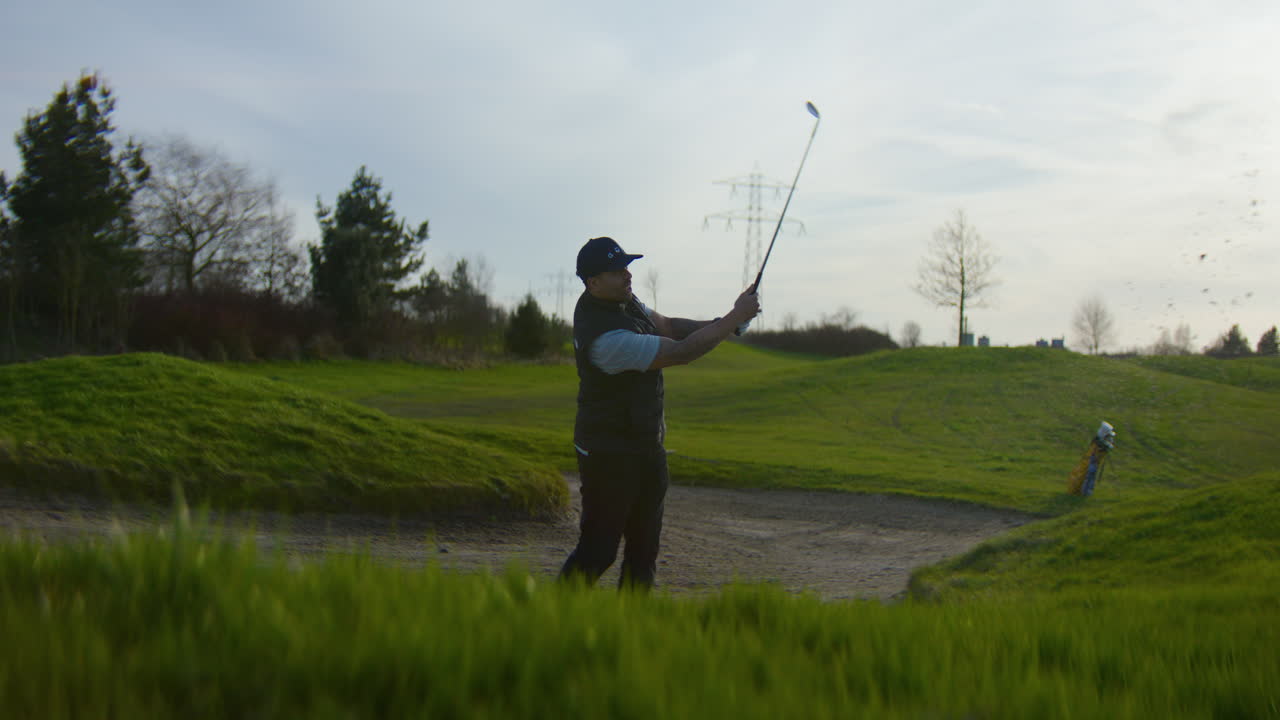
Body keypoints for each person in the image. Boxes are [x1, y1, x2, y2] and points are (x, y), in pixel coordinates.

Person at [558, 236, 762, 589]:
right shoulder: (605, 338)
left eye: (626, 266)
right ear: (593, 283)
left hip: (646, 447)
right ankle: (549, 620)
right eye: (616, 270)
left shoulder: (623, 301)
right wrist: (732, 319)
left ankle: (634, 629)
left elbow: (667, 325)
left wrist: (725, 322)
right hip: (608, 454)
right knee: (598, 551)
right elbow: (680, 351)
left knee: (644, 552)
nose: (627, 274)